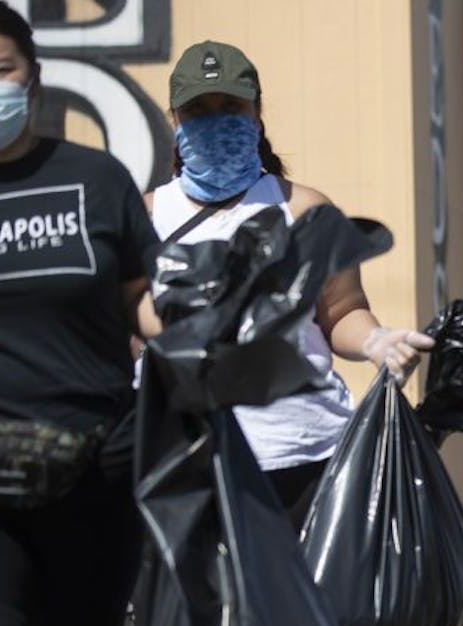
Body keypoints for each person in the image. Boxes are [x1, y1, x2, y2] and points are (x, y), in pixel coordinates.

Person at [0, 2, 160, 626]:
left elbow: (142, 300)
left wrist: (189, 321)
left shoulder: (96, 178)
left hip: (94, 465)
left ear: (33, 77)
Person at [142, 40, 433, 526]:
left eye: (230, 106)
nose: (215, 119)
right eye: (198, 109)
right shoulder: (146, 216)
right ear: (175, 120)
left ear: (257, 113)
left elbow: (341, 313)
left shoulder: (303, 209)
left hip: (303, 455)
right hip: (182, 462)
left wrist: (378, 341)